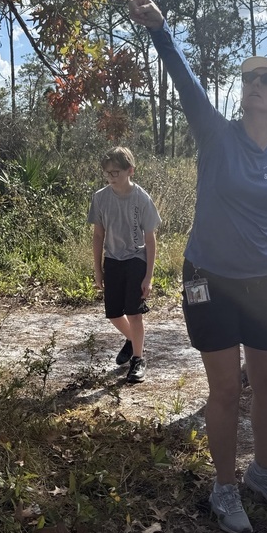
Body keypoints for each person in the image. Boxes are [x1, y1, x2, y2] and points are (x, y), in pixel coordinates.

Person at [126, 0, 267, 533]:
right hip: (207, 275)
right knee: (226, 387)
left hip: (263, 278)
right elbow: (184, 83)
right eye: (249, 78)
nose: (254, 84)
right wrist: (161, 31)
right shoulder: (216, 133)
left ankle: (263, 472)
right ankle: (224, 486)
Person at [89, 146, 161, 384]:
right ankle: (133, 339)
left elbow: (150, 240)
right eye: (107, 173)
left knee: (134, 313)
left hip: (136, 259)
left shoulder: (142, 198)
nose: (111, 177)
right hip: (113, 260)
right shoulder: (100, 198)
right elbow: (98, 235)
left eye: (116, 172)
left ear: (130, 171)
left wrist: (148, 277)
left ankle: (138, 360)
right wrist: (98, 269)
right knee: (113, 314)